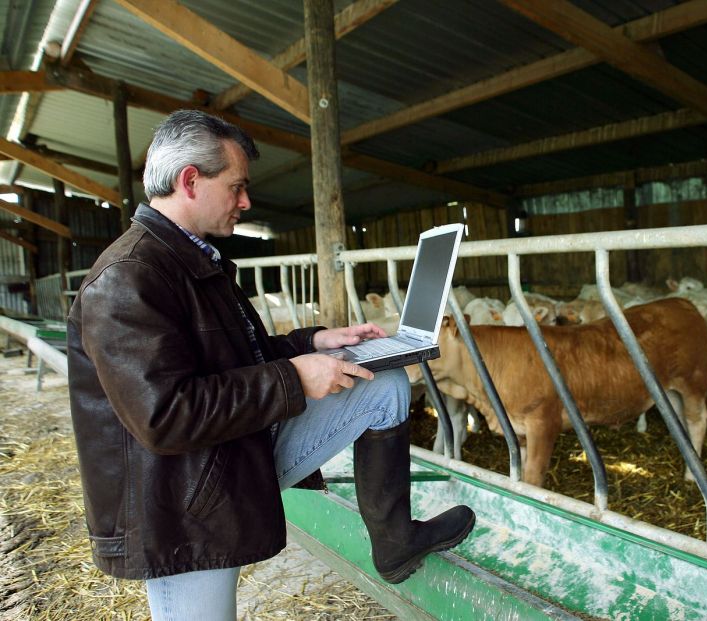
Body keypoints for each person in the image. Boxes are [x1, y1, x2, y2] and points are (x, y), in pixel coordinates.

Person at [67, 109, 475, 620]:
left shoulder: (191, 259)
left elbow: (241, 358)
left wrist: (316, 342)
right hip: (179, 496)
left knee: (384, 381)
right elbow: (164, 416)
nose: (246, 201)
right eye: (236, 186)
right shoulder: (129, 277)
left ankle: (395, 541)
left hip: (223, 454)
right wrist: (295, 377)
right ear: (190, 181)